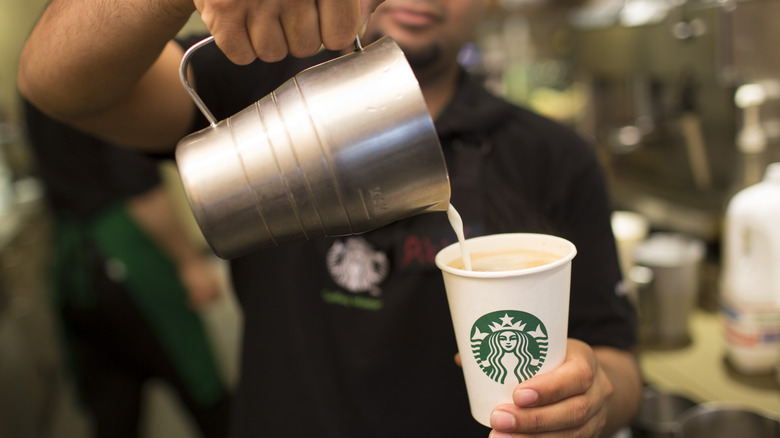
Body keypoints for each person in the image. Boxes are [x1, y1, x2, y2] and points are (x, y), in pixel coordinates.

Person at [17, 0, 643, 436]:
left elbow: (618, 362)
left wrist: (593, 397)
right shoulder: (254, 83)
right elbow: (54, 84)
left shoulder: (554, 155)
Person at [21, 99, 232, 438]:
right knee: (204, 393)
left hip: (73, 268)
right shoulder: (100, 74)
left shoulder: (35, 78)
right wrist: (190, 260)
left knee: (114, 412)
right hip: (127, 257)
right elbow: (139, 189)